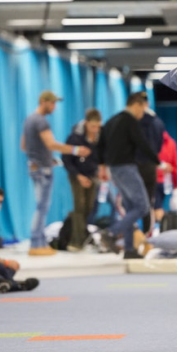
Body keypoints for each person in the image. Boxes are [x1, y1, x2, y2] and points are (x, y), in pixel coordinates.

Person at [21, 90, 91, 256]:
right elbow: (51, 144)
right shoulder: (41, 121)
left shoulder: (29, 120)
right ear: (43, 101)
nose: (54, 107)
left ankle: (39, 242)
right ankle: (36, 244)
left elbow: (24, 146)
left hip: (35, 166)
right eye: (52, 103)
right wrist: (75, 150)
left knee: (41, 206)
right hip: (42, 170)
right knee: (42, 207)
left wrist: (43, 159)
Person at [95, 92, 160, 259]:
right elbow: (141, 143)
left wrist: (102, 167)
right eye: (142, 110)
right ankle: (111, 233)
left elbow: (100, 146)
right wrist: (158, 161)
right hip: (126, 168)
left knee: (131, 208)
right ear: (136, 104)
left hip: (114, 170)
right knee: (142, 207)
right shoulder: (129, 121)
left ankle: (129, 249)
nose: (142, 114)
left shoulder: (110, 121)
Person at [62, 108, 102, 252]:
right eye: (92, 126)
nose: (95, 129)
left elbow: (100, 157)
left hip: (92, 176)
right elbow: (66, 159)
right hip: (76, 175)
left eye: (97, 126)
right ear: (86, 124)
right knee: (79, 207)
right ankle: (76, 242)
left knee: (88, 208)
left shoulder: (98, 138)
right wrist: (79, 176)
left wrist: (100, 171)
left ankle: (81, 236)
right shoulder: (75, 138)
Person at [135, 92, 166, 234]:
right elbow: (160, 146)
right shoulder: (158, 122)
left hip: (134, 166)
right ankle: (146, 233)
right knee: (148, 201)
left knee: (131, 201)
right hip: (150, 167)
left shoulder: (133, 122)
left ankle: (132, 233)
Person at [155, 130, 177, 223]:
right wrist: (176, 186)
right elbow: (176, 167)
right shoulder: (171, 142)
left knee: (155, 210)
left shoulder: (148, 139)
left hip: (153, 181)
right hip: (162, 182)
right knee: (157, 209)